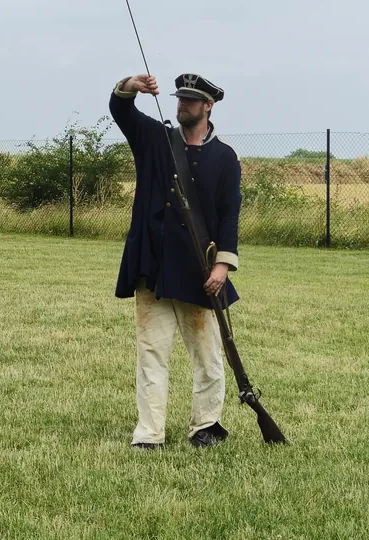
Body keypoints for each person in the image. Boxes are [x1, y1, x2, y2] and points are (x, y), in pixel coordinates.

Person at [109, 73, 242, 449]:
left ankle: (206, 427)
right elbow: (120, 110)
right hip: (151, 266)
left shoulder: (225, 158)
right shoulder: (155, 139)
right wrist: (130, 86)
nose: (182, 104)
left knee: (207, 355)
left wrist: (222, 266)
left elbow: (229, 216)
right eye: (179, 98)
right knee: (151, 353)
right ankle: (149, 434)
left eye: (190, 100)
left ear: (207, 106)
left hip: (199, 271)